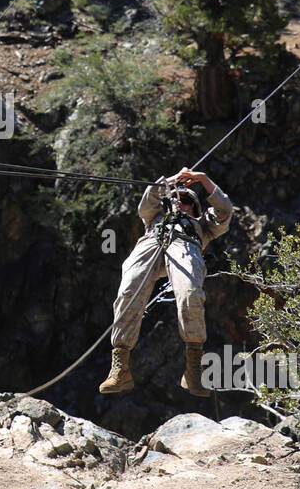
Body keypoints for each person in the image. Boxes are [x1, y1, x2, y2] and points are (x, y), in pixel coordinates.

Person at [99, 167, 234, 397]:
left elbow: (224, 210)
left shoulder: (202, 226)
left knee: (190, 294)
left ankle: (193, 368)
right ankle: (120, 368)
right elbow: (146, 202)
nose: (180, 204)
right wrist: (170, 181)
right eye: (176, 200)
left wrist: (202, 178)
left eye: (187, 202)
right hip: (151, 243)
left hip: (185, 246)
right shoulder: (153, 218)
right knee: (128, 290)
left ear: (195, 209)